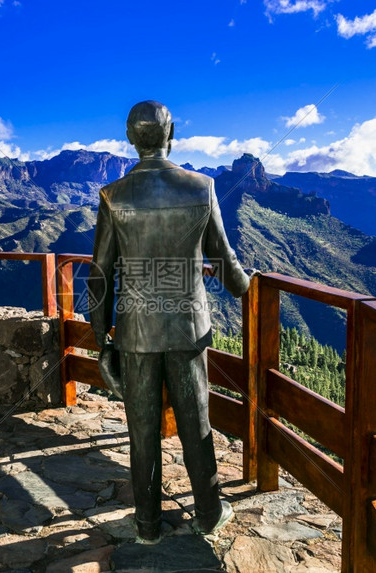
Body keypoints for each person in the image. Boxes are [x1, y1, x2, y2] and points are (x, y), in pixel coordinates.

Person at [88, 100, 251, 544]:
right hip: (188, 328)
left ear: (128, 137)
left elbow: (99, 274)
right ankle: (209, 512)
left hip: (135, 332)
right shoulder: (202, 188)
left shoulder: (113, 196)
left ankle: (147, 525)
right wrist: (244, 287)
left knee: (141, 431)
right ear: (171, 133)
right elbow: (225, 260)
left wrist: (101, 340)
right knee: (196, 422)